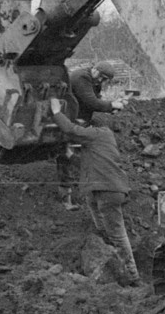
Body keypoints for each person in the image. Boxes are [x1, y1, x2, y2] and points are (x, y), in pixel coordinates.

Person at [50, 97, 140, 287]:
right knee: (95, 212)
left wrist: (56, 113)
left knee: (117, 233)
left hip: (108, 189)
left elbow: (71, 130)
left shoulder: (100, 134)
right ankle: (105, 246)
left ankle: (132, 275)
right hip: (100, 189)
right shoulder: (98, 144)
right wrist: (70, 155)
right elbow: (86, 165)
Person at [57, 61, 126, 211]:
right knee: (67, 155)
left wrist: (111, 105)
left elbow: (97, 98)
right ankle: (66, 197)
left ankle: (95, 189)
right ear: (94, 69)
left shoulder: (94, 80)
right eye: (100, 76)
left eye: (104, 80)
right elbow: (92, 102)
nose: (100, 81)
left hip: (81, 119)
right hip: (70, 119)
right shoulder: (81, 77)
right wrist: (111, 106)